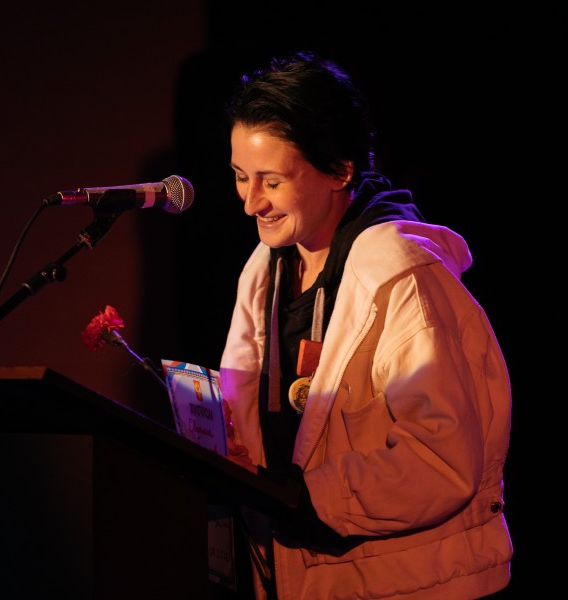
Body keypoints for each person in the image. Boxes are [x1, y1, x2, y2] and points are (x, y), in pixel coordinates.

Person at [218, 50, 513, 600]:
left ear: (340, 169)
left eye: (271, 181)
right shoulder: (263, 271)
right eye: (240, 177)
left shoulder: (403, 278)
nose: (250, 203)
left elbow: (442, 459)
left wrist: (309, 500)